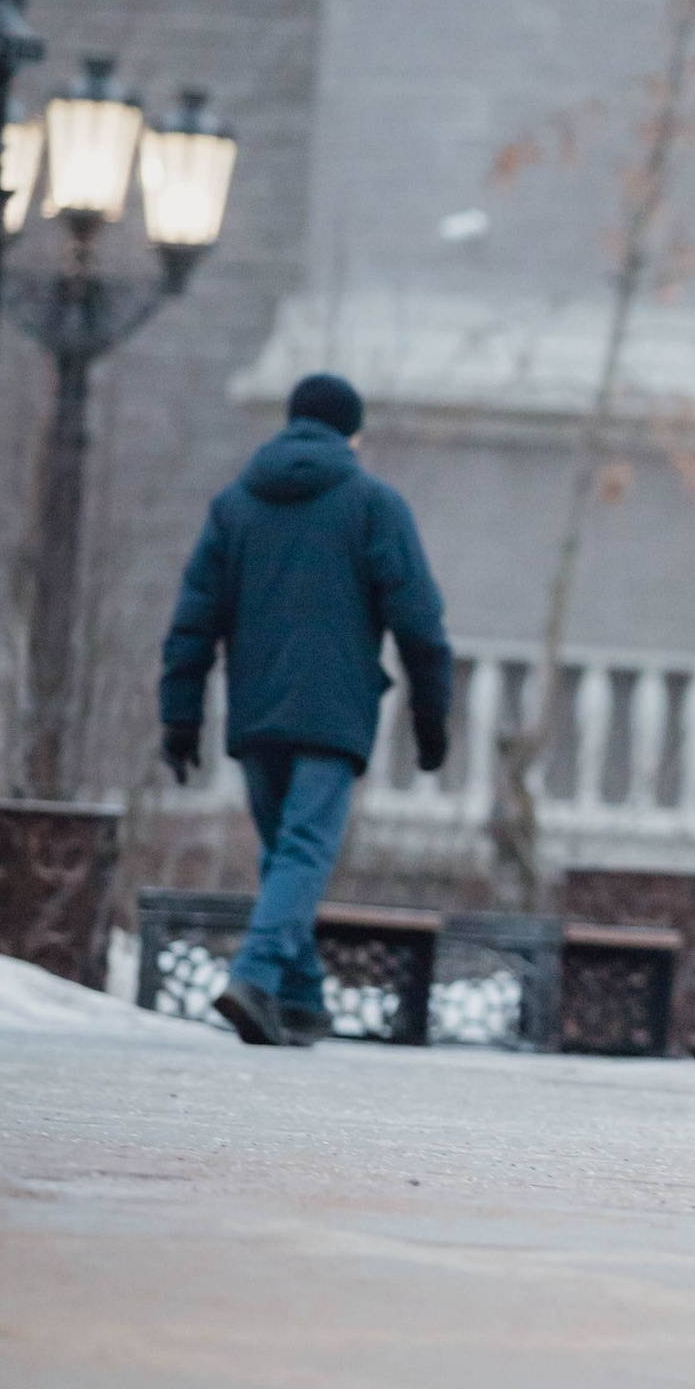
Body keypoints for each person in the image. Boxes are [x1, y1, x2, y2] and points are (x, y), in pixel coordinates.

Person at [159, 373, 453, 1046]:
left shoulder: (235, 506)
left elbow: (193, 621)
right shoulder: (374, 505)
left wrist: (181, 715)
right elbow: (421, 623)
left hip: (256, 712)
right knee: (302, 851)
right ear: (352, 432)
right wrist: (432, 720)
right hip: (333, 715)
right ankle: (258, 976)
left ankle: (300, 998)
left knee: (285, 853)